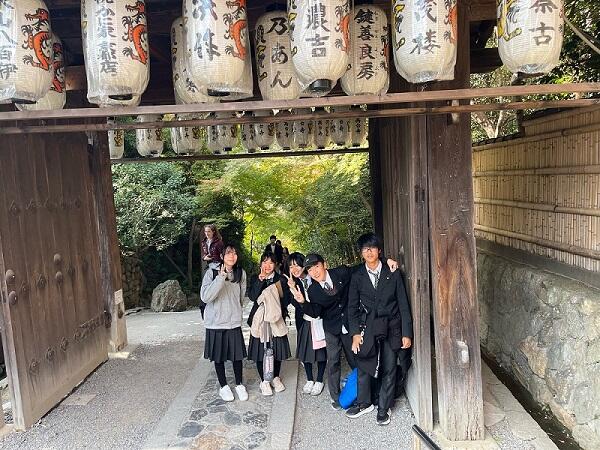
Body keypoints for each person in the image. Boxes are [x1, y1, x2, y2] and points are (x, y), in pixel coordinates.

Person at [292, 252, 399, 410]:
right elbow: (316, 312)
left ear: (324, 264)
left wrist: (385, 260)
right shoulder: (313, 290)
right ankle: (336, 397)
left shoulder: (341, 272)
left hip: (350, 325)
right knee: (333, 362)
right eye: (310, 269)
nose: (314, 272)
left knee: (357, 359)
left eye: (316, 266)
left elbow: (364, 266)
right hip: (331, 327)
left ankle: (364, 394)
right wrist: (303, 303)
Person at [346, 233, 413, 426]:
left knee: (390, 368)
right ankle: (364, 403)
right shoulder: (357, 276)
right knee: (364, 364)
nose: (369, 252)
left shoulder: (392, 272)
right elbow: (352, 307)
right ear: (361, 253)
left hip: (391, 326)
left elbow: (403, 304)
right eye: (365, 249)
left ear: (379, 251)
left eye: (372, 248)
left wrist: (406, 333)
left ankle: (383, 408)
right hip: (368, 326)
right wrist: (355, 333)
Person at [200, 244, 248, 402]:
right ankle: (224, 386)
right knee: (218, 357)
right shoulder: (211, 273)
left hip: (233, 321)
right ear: (221, 256)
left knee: (237, 356)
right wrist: (220, 277)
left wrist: (235, 310)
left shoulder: (240, 273)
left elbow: (241, 297)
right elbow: (206, 297)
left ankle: (239, 384)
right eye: (228, 253)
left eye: (234, 253)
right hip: (216, 322)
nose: (232, 256)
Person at [247, 252, 291, 396]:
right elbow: (252, 297)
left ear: (275, 265)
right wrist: (260, 281)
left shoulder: (280, 279)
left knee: (276, 349)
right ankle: (264, 381)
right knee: (261, 351)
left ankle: (275, 377)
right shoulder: (255, 278)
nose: (267, 265)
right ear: (260, 264)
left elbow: (286, 301)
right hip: (259, 320)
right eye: (265, 262)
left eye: (271, 262)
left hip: (276, 320)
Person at [285, 252, 327, 396]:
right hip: (304, 320)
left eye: (297, 265)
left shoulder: (315, 276)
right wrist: (292, 289)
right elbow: (294, 302)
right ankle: (309, 379)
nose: (294, 269)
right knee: (305, 350)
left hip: (319, 319)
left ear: (304, 265)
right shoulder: (293, 283)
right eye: (291, 267)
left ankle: (319, 380)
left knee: (321, 352)